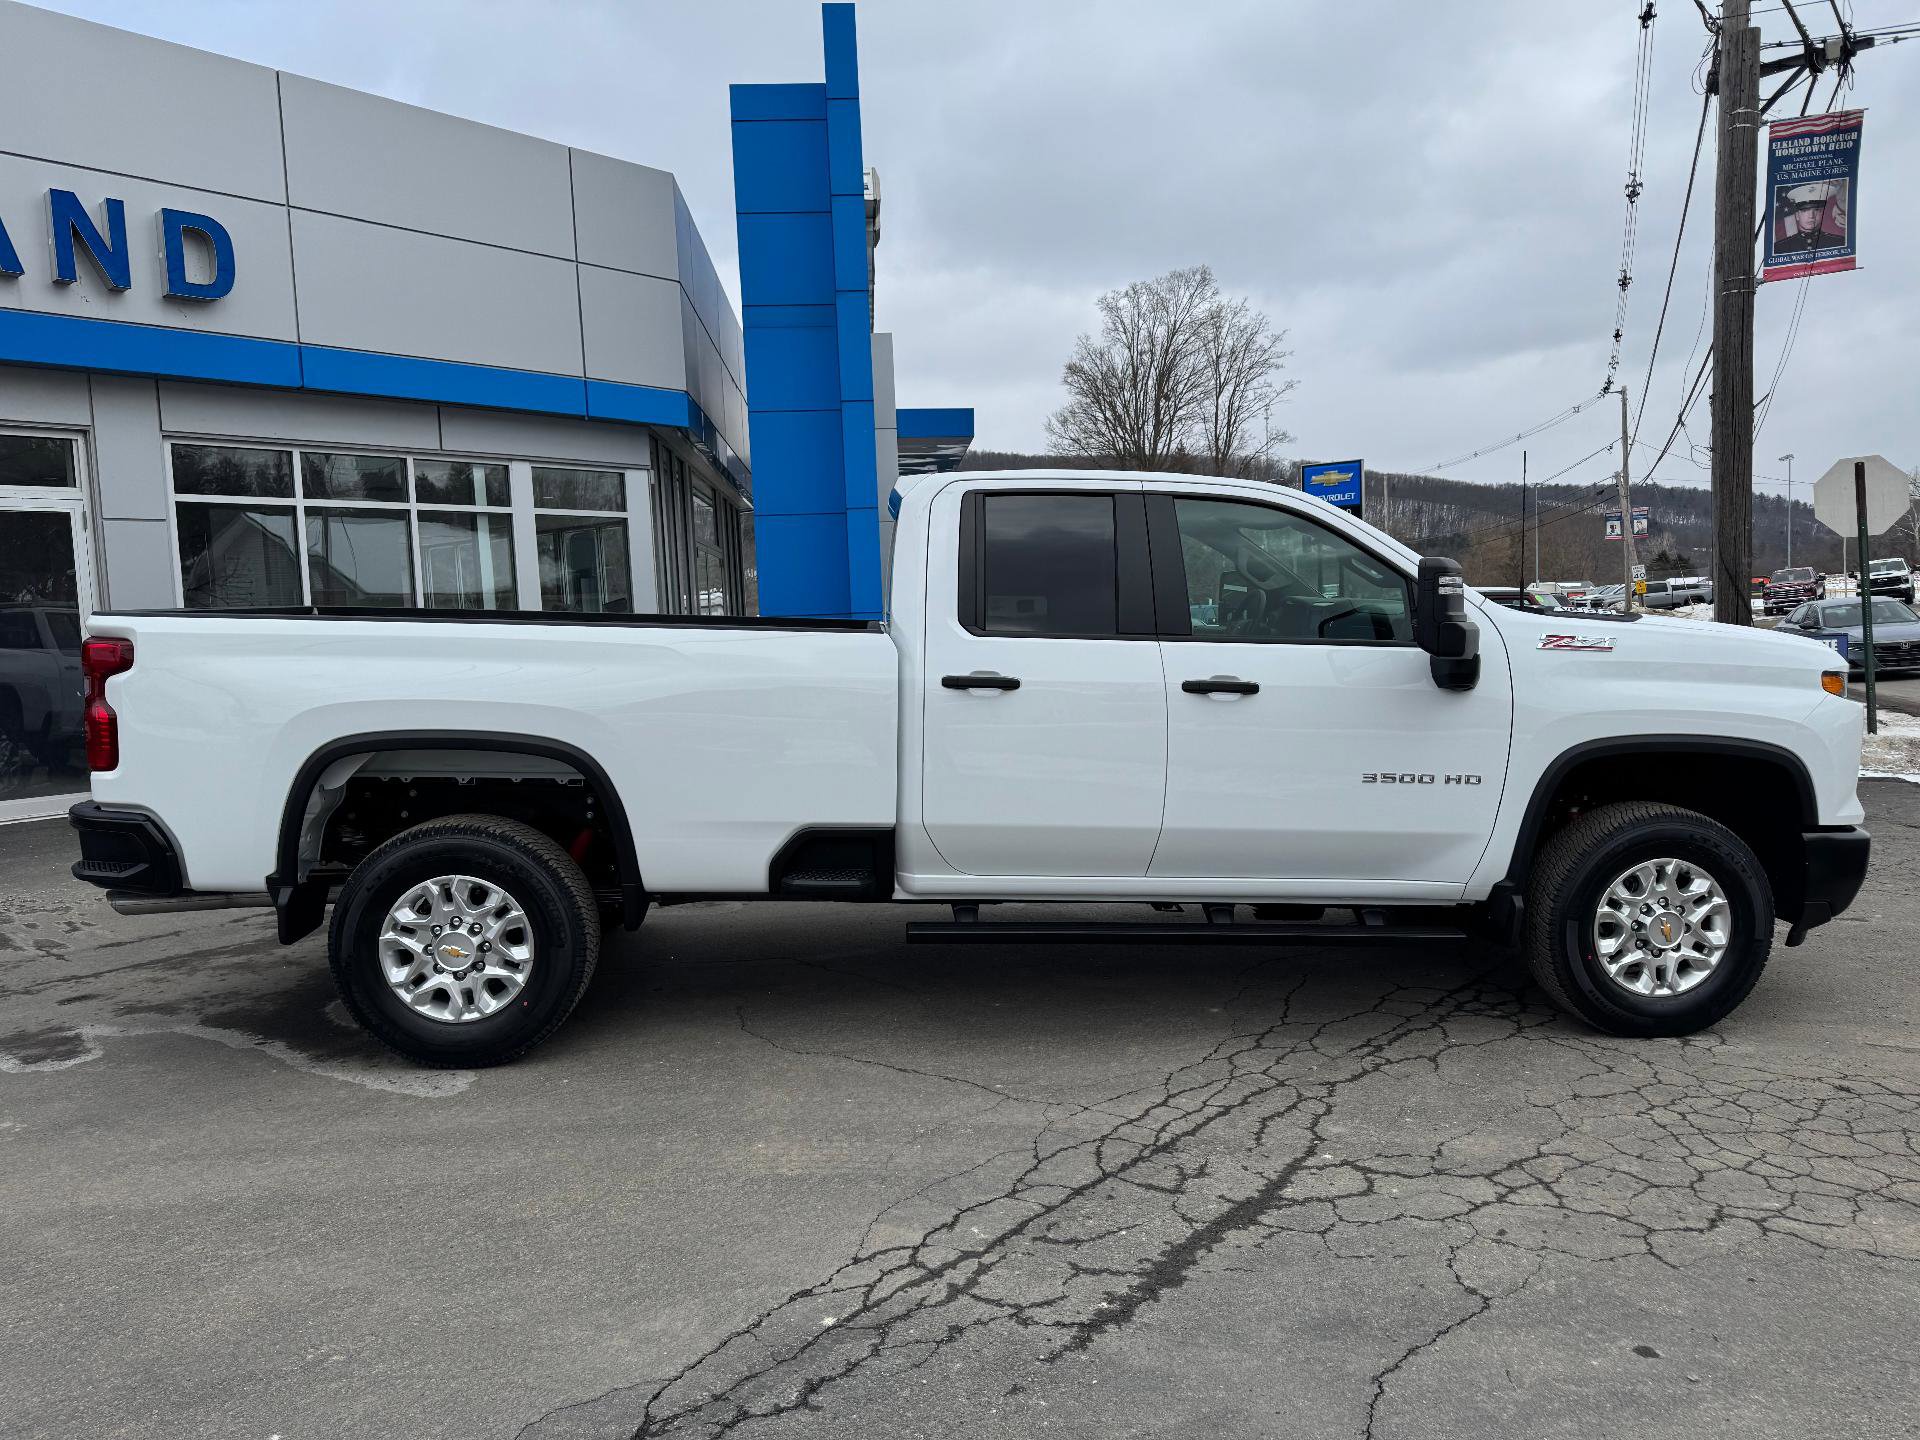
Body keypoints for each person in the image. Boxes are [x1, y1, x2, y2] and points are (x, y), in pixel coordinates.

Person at [1774, 181, 1848, 254]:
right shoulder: (1780, 248)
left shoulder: (1839, 243)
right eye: (1805, 210)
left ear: (1822, 213)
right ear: (1797, 215)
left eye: (1816, 210)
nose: (1811, 216)